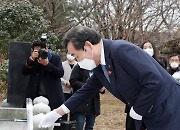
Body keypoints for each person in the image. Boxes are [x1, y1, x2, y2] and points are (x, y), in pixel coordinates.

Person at [39, 27, 180, 130]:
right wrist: (57, 112)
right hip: (150, 116)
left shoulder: (121, 50)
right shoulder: (100, 66)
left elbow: (154, 81)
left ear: (88, 46)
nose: (77, 61)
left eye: (76, 56)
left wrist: (137, 110)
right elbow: (85, 91)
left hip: (169, 109)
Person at [125, 40, 166, 130]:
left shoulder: (159, 64)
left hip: (154, 102)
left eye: (150, 47)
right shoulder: (134, 64)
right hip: (136, 100)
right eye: (145, 48)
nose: (148, 49)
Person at [22, 39, 64, 110]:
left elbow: (60, 73)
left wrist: (47, 64)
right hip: (35, 94)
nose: (39, 53)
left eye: (41, 51)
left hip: (52, 95)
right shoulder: (33, 59)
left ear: (46, 49)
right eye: (37, 51)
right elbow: (24, 72)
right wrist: (31, 59)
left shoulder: (55, 58)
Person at [70, 64, 105, 130]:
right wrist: (87, 86)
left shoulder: (97, 68)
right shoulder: (79, 67)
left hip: (93, 103)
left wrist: (101, 89)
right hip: (81, 102)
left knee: (90, 126)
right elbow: (73, 81)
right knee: (79, 125)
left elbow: (101, 82)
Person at [60, 52, 77, 120]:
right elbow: (58, 76)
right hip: (64, 90)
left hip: (74, 91)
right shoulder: (62, 64)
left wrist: (73, 84)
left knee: (73, 112)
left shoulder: (78, 65)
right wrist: (65, 82)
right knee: (64, 111)